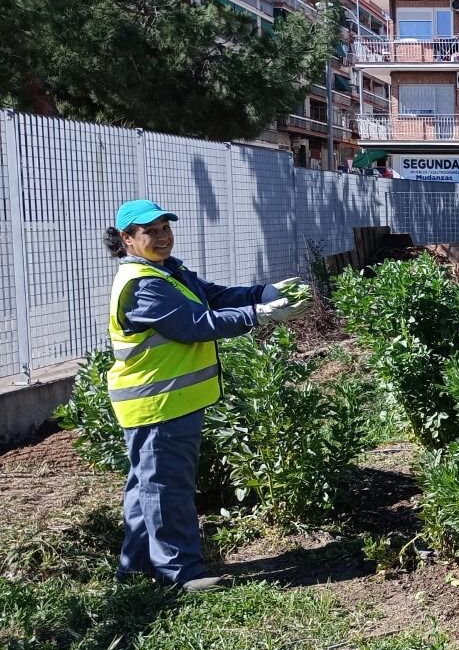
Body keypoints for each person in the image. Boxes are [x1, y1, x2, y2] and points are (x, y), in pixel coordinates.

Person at [105, 199, 313, 592]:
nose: (162, 236)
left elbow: (212, 297)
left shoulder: (169, 271)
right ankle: (179, 574)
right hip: (158, 403)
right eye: (150, 231)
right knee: (167, 490)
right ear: (127, 239)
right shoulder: (143, 286)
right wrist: (260, 315)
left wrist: (264, 292)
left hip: (167, 401)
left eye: (165, 227)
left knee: (146, 487)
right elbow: (195, 324)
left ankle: (134, 569)